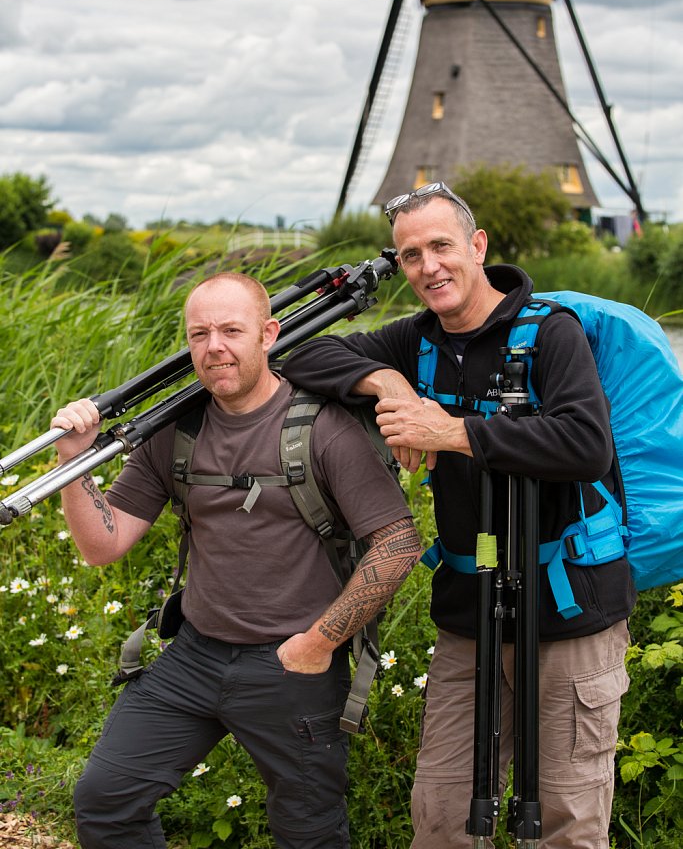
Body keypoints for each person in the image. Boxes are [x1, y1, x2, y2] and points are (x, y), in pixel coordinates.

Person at [282, 181, 636, 849]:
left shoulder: (550, 334)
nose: (427, 267)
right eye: (410, 255)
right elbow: (305, 356)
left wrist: (452, 432)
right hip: (470, 613)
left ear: (476, 246)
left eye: (440, 246)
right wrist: (388, 384)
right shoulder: (415, 342)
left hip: (568, 611)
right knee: (441, 814)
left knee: (562, 823)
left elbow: (585, 447)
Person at [51, 271, 422, 849]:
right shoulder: (174, 428)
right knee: (106, 800)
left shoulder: (320, 427)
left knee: (309, 833)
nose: (215, 347)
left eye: (231, 330)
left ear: (268, 334)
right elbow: (103, 546)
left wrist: (317, 644)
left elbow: (399, 543)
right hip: (193, 657)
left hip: (292, 666)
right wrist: (72, 462)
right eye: (199, 334)